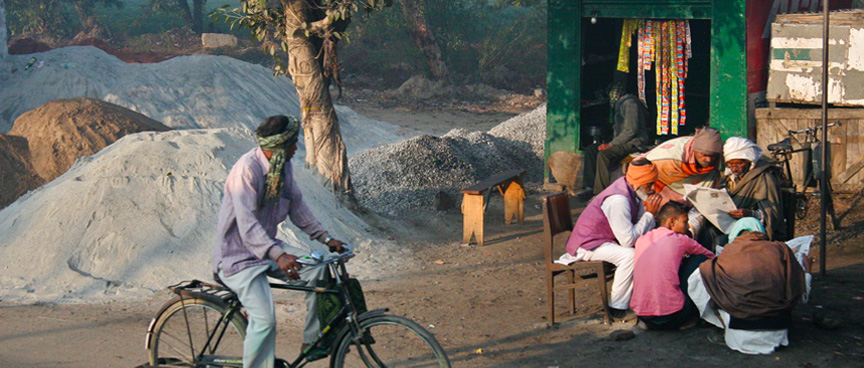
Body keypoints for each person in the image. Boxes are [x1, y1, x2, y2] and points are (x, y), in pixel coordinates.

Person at [212, 115, 347, 368]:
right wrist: (279, 255)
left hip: (267, 250)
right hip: (239, 259)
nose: (296, 148)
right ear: (280, 145)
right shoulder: (247, 170)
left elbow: (297, 206)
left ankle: (312, 342)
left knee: (319, 267)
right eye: (293, 143)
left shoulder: (282, 166)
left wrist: (326, 238)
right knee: (265, 322)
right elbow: (247, 225)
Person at [687, 218, 811, 354]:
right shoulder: (780, 250)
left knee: (702, 274)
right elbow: (801, 291)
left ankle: (722, 323)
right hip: (777, 333)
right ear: (760, 232)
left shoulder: (728, 253)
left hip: (739, 336)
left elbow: (697, 280)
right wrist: (807, 271)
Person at [565, 159, 663, 318]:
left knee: (645, 247)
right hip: (588, 244)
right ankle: (617, 307)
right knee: (629, 256)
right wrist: (650, 215)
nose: (653, 189)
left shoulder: (631, 188)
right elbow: (628, 240)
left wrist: (650, 220)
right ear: (638, 183)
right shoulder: (619, 200)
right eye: (649, 184)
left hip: (604, 239)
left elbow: (639, 223)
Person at [630, 201, 715, 330]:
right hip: (672, 317)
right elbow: (710, 256)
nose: (687, 227)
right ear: (672, 222)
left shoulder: (642, 239)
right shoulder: (681, 240)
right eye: (685, 222)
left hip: (643, 316)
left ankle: (649, 321)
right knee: (700, 258)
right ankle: (691, 317)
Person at [578, 78, 651, 199]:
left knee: (604, 155)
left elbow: (631, 130)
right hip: (622, 142)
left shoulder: (630, 104)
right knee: (592, 150)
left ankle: (600, 193)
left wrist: (611, 144)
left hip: (633, 143)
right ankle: (590, 187)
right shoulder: (621, 104)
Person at [722, 137, 787, 241]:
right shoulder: (728, 178)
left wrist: (751, 214)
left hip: (752, 229)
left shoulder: (764, 179)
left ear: (749, 161)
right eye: (730, 164)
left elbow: (773, 215)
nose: (734, 168)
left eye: (739, 164)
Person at [641, 126, 723, 204]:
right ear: (694, 150)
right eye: (705, 155)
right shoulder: (667, 158)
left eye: (713, 156)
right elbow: (637, 169)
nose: (709, 160)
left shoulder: (720, 156)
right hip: (663, 185)